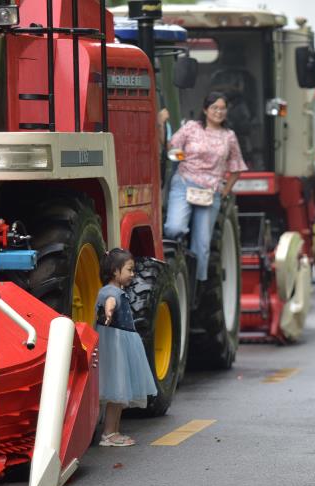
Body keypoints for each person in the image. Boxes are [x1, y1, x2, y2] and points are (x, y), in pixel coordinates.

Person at [164, 92, 247, 282]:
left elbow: (237, 167)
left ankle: (196, 284)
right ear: (205, 110)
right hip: (185, 183)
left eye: (222, 108)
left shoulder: (229, 136)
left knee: (202, 245)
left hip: (211, 192)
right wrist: (162, 126)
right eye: (214, 108)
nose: (219, 112)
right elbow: (171, 147)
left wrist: (225, 191)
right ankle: (174, 264)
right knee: (174, 228)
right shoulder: (191, 128)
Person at [96, 248, 158, 447]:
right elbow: (110, 302)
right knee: (117, 391)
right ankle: (109, 434)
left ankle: (113, 432)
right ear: (115, 271)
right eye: (129, 270)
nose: (133, 274)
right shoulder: (110, 292)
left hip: (120, 342)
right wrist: (109, 311)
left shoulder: (116, 290)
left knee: (119, 393)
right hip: (116, 344)